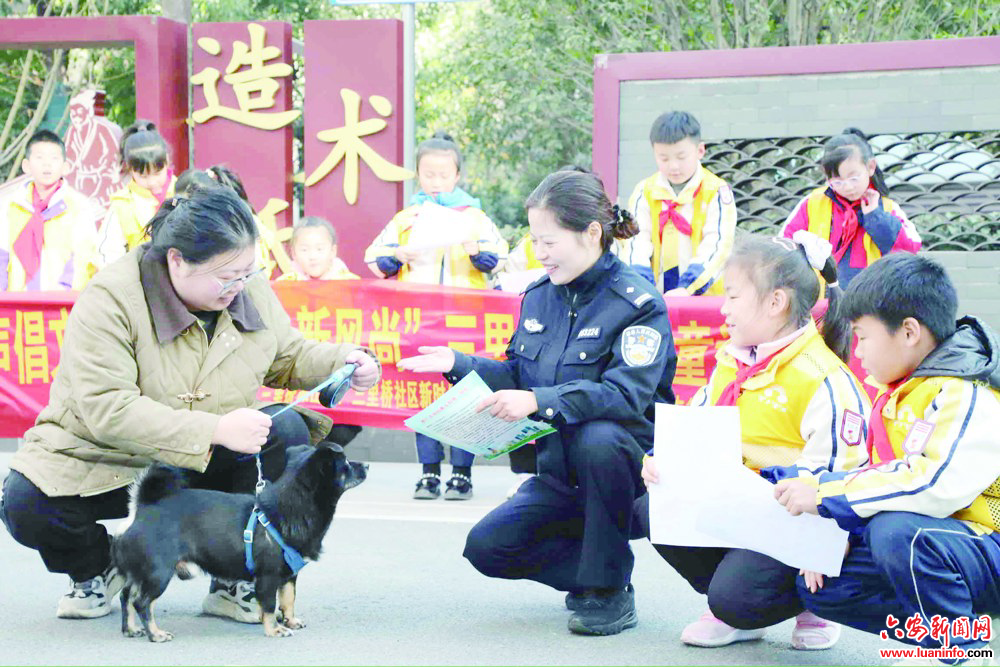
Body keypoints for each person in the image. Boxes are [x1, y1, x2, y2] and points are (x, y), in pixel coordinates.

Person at [0, 185, 380, 623]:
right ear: (176, 260)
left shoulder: (245, 287)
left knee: (286, 431)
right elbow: (108, 408)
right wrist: (213, 430)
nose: (240, 286)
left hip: (203, 458)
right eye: (227, 277)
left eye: (248, 272)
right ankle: (103, 566)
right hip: (106, 459)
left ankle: (237, 577)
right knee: (27, 501)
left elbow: (286, 355)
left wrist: (344, 361)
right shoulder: (111, 299)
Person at [398, 169, 677, 636]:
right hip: (557, 470)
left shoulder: (637, 304)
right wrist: (456, 362)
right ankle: (596, 571)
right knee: (487, 548)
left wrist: (537, 400)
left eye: (549, 241)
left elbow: (625, 396)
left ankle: (605, 591)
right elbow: (516, 375)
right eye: (534, 240)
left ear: (591, 233)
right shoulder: (539, 297)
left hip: (621, 476)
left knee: (599, 437)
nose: (539, 253)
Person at [641, 232, 870, 650]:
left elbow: (839, 478)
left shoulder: (824, 379)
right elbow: (696, 424)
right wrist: (659, 459)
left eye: (732, 296)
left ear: (775, 302)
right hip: (744, 510)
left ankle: (809, 603)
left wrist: (815, 552)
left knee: (738, 597)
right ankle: (734, 609)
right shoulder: (734, 359)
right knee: (649, 506)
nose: (723, 309)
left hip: (795, 521)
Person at [775, 253, 1000, 664]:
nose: (857, 353)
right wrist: (835, 527)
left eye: (862, 337)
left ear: (909, 332)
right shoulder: (902, 391)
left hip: (988, 541)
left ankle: (961, 650)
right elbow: (880, 475)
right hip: (951, 544)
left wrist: (827, 497)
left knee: (899, 533)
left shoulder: (967, 393)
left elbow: (932, 485)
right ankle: (950, 628)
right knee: (824, 587)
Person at [365, 132, 509, 500]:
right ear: (417, 175)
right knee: (425, 395)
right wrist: (398, 255)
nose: (436, 182)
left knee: (464, 394)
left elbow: (499, 259)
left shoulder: (474, 217)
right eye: (429, 174)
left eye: (444, 175)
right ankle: (428, 472)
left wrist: (476, 250)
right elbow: (374, 261)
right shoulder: (406, 218)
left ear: (457, 175)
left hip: (465, 322)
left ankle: (461, 473)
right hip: (421, 322)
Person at [781, 127, 921, 289]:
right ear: (827, 177)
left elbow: (910, 249)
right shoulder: (812, 204)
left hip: (871, 304)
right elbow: (784, 248)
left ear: (870, 167)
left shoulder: (887, 208)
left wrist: (875, 217)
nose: (847, 187)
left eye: (854, 178)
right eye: (838, 181)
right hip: (820, 305)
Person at [617, 110, 737, 296]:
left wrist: (688, 288)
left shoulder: (717, 191)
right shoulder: (645, 191)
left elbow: (718, 245)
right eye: (664, 158)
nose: (673, 166)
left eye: (681, 157)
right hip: (655, 299)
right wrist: (642, 287)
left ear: (700, 151)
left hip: (704, 300)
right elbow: (635, 242)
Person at [0, 129, 100, 291]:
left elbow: (84, 257)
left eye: (54, 158)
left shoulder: (78, 206)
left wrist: (63, 294)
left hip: (62, 304)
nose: (47, 164)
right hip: (17, 305)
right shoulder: (10, 205)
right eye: (39, 158)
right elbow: (1, 255)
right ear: (26, 165)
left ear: (65, 167)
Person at [96, 120, 176, 266]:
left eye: (157, 173)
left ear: (167, 161)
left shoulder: (183, 191)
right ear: (129, 169)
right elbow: (108, 253)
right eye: (143, 176)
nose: (152, 182)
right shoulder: (122, 204)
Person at [278, 216, 359, 281]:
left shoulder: (349, 282)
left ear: (333, 251)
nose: (312, 256)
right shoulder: (285, 283)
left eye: (319, 249)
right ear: (294, 254)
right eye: (304, 250)